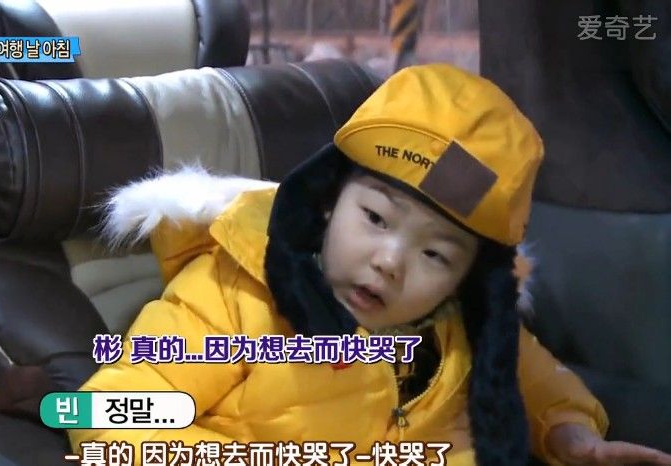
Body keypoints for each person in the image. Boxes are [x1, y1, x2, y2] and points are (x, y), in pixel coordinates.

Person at [69, 64, 671, 466]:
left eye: (435, 254)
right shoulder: (235, 296)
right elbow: (107, 415)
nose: (389, 262)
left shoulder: (467, 323)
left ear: (468, 278)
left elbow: (534, 379)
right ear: (329, 200)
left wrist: (571, 435)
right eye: (377, 218)